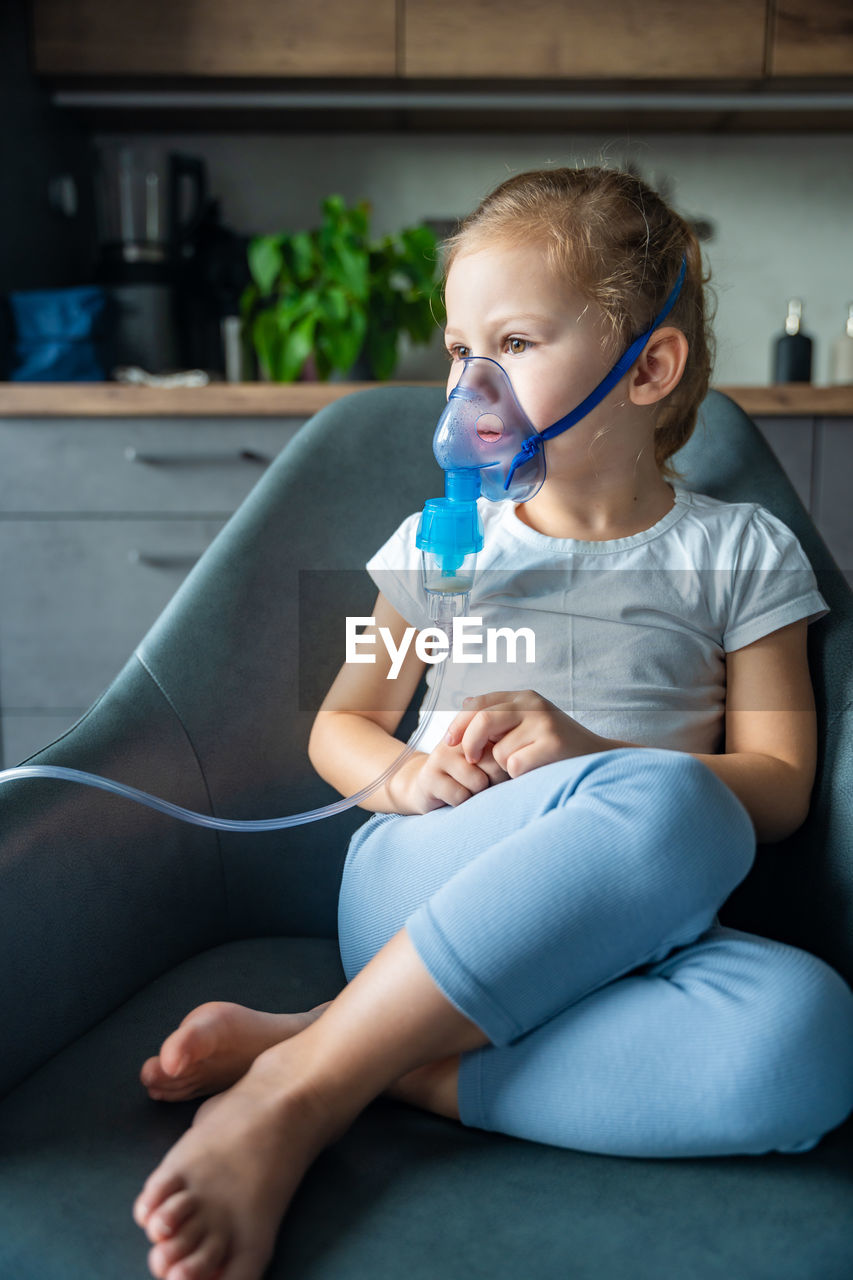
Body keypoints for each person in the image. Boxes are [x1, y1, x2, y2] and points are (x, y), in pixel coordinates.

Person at [132, 167, 853, 1280]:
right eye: (460, 348)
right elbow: (342, 724)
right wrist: (400, 781)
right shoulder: (441, 545)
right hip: (424, 880)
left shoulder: (742, 551)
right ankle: (297, 1096)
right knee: (674, 795)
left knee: (810, 1039)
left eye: (511, 343)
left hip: (628, 928)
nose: (471, 381)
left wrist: (593, 753)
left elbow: (781, 782)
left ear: (647, 367)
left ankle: (348, 1043)